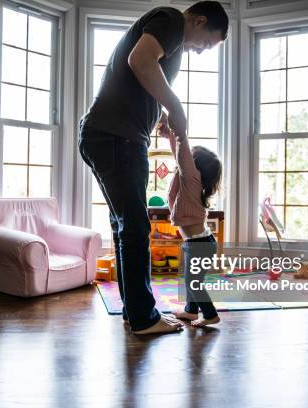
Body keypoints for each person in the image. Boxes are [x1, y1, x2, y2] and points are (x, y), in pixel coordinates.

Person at [78, 1, 229, 334]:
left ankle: (135, 312)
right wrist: (174, 106)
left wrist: (157, 114)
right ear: (199, 21)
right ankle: (145, 318)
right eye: (206, 42)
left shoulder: (168, 35)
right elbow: (140, 60)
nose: (202, 51)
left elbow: (139, 77)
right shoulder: (172, 20)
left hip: (106, 135)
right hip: (118, 138)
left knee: (124, 227)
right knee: (135, 228)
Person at [161, 125, 222, 327]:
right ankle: (190, 311)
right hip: (197, 242)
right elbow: (180, 156)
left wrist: (178, 131)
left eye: (190, 158)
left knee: (193, 282)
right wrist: (169, 135)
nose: (184, 159)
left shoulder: (192, 179)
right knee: (189, 279)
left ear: (195, 165)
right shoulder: (189, 179)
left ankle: (210, 314)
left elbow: (183, 154)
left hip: (200, 244)